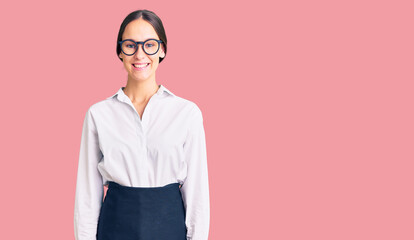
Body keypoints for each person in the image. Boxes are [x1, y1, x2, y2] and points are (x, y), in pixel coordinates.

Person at [74, 9, 210, 240]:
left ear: (162, 49)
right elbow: (87, 195)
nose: (140, 54)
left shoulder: (187, 113)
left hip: (169, 229)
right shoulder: (98, 114)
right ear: (120, 51)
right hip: (114, 229)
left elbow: (197, 193)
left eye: (150, 44)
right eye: (130, 45)